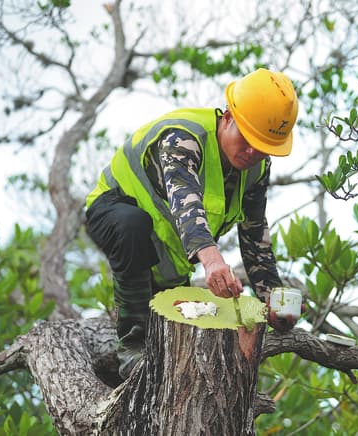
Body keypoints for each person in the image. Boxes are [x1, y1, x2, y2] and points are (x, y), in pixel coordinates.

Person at [84, 68, 300, 379]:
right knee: (132, 226)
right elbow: (185, 201)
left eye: (263, 146)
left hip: (167, 245)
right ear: (227, 118)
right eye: (247, 138)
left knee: (178, 337)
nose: (252, 152)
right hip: (113, 211)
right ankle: (130, 350)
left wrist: (272, 299)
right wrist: (211, 260)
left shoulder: (256, 169)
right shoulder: (183, 138)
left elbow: (254, 232)